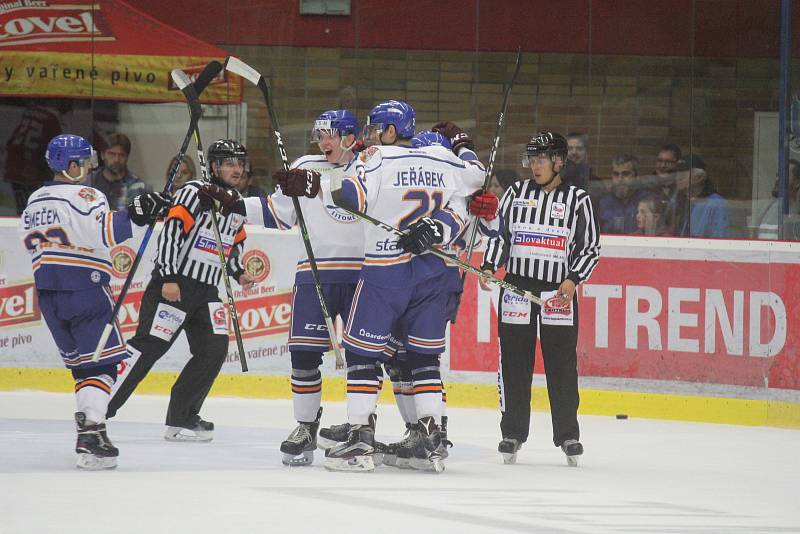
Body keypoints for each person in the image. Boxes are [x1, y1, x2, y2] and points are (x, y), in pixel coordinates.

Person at [202, 110, 365, 466]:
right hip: (314, 272)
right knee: (304, 356)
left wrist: (321, 187)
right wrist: (234, 203)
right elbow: (278, 213)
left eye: (331, 135)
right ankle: (306, 427)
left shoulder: (371, 165)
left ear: (350, 136)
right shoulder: (306, 164)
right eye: (319, 135)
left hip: (363, 274)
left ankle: (359, 428)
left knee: (362, 358)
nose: (323, 142)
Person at [324, 100, 472, 473]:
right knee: (422, 359)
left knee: (362, 356)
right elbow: (473, 186)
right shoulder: (443, 157)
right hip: (433, 273)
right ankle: (429, 440)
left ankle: (359, 440)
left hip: (385, 272)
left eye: (376, 129)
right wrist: (436, 228)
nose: (371, 135)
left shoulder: (376, 157)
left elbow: (350, 197)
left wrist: (334, 180)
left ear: (391, 131)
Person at [18, 134, 169, 469]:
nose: (88, 168)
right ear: (71, 166)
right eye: (85, 162)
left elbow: (30, 244)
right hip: (85, 289)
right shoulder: (86, 194)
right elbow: (105, 232)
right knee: (102, 366)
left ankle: (91, 426)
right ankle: (90, 433)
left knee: (83, 368)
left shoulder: (34, 200)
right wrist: (138, 213)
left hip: (48, 294)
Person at [106, 139, 255, 441]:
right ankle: (98, 406)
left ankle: (182, 418)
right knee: (149, 348)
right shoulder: (192, 192)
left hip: (207, 291)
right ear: (214, 166)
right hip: (175, 286)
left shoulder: (237, 203)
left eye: (240, 163)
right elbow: (171, 234)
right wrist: (169, 277)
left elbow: (232, 244)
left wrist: (238, 272)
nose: (237, 169)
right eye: (229, 163)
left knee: (213, 350)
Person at [481, 131, 600, 466]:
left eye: (542, 159)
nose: (535, 165)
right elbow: (500, 235)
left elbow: (590, 248)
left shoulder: (578, 199)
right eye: (531, 159)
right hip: (517, 288)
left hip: (557, 293)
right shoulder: (515, 193)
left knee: (561, 363)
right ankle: (512, 432)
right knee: (515, 361)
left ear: (559, 161)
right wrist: (490, 264)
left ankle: (568, 434)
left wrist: (573, 278)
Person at [87, 133, 151, 210]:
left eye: (121, 155)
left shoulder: (140, 187)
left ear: (127, 157)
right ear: (102, 155)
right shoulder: (88, 183)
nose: (116, 160)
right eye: (111, 154)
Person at [671, 154, 729, 238]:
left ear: (699, 177)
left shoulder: (716, 203)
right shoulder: (676, 200)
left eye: (684, 171)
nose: (678, 176)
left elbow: (720, 238)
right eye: (677, 172)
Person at [597, 154, 650, 234]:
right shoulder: (603, 203)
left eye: (625, 174)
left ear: (636, 177)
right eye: (616, 174)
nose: (620, 179)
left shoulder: (648, 200)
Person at [756, 159, 800, 239]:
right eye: (777, 175)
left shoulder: (797, 214)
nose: (777, 179)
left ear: (797, 183)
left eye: (783, 175)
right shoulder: (765, 209)